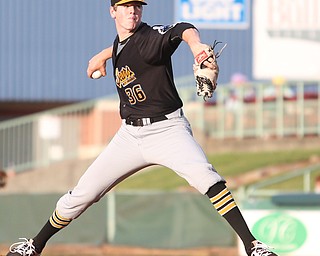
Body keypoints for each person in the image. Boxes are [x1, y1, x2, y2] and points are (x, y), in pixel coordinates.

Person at [6, 1, 278, 255]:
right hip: (129, 135)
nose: (133, 12)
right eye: (125, 6)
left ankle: (253, 245)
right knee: (81, 195)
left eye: (137, 6)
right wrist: (103, 55)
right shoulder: (121, 42)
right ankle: (34, 245)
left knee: (207, 177)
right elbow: (124, 46)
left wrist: (196, 46)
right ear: (113, 11)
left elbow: (182, 29)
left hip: (167, 130)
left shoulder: (153, 37)